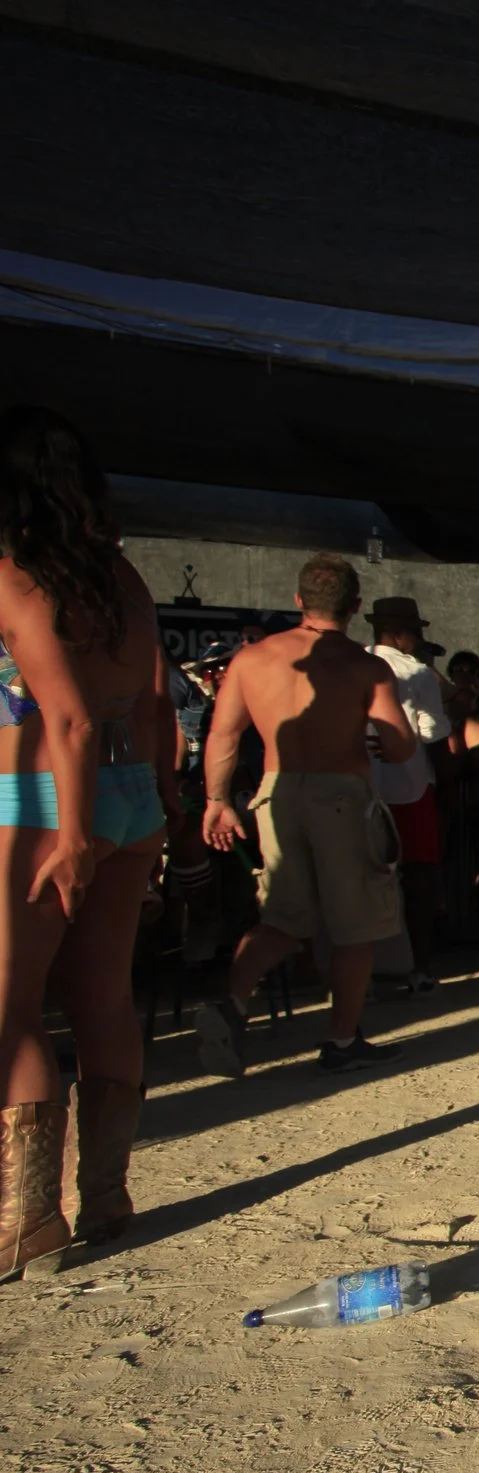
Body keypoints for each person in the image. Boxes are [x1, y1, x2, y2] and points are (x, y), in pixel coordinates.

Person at [0, 408, 171, 1279]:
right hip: (128, 792)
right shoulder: (124, 578)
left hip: (39, 803)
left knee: (11, 1007)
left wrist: (71, 836)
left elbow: (63, 715)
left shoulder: (15, 576)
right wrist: (153, 806)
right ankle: (105, 1195)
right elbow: (148, 702)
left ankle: (28, 1220)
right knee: (103, 996)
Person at [198, 554, 418, 1075]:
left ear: (299, 600)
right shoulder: (365, 666)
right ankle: (342, 1040)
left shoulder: (253, 659)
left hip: (276, 792)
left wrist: (217, 800)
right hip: (341, 795)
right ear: (355, 606)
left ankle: (231, 1003)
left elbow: (224, 734)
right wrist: (379, 742)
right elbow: (400, 745)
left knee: (282, 917)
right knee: (355, 925)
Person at [366, 596, 458, 993]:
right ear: (398, 633)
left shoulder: (353, 665)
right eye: (415, 633)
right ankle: (419, 967)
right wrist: (449, 787)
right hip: (410, 787)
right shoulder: (417, 674)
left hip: (363, 790)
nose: (418, 641)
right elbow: (433, 737)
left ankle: (365, 971)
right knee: (420, 880)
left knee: (365, 879)